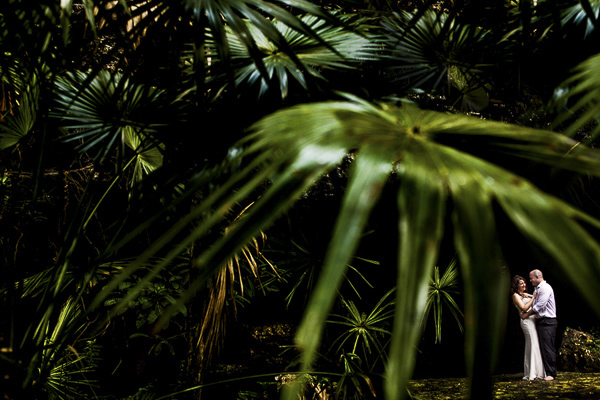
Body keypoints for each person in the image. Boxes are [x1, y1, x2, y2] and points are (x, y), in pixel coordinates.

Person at [520, 269, 557, 381]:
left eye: (531, 278)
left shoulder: (545, 288)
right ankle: (546, 371)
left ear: (537, 277)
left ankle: (551, 373)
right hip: (541, 321)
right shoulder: (537, 289)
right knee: (543, 347)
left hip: (548, 321)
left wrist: (527, 314)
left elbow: (538, 306)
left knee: (548, 347)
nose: (530, 281)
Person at [511, 275, 545, 380]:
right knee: (532, 343)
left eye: (524, 283)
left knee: (534, 344)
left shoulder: (523, 294)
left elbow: (536, 299)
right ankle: (532, 373)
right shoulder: (515, 296)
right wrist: (533, 297)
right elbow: (524, 308)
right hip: (526, 321)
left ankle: (536, 371)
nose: (524, 284)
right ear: (516, 286)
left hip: (532, 321)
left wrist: (530, 296)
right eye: (521, 283)